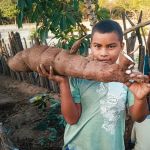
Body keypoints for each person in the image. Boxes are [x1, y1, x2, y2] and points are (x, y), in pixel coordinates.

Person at [37, 20, 150, 150]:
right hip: (77, 147)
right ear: (91, 46)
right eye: (97, 46)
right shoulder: (78, 75)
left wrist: (140, 98)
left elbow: (139, 117)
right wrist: (63, 82)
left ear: (122, 46)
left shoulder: (128, 77)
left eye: (111, 46)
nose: (103, 53)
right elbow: (71, 119)